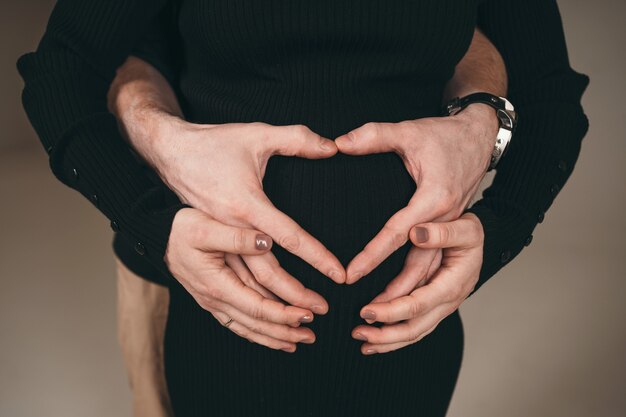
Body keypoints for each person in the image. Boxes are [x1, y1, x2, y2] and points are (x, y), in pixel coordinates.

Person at [17, 1, 589, 416]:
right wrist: (154, 222)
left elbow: (548, 92)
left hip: (406, 358)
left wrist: (497, 229)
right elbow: (65, 71)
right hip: (217, 338)